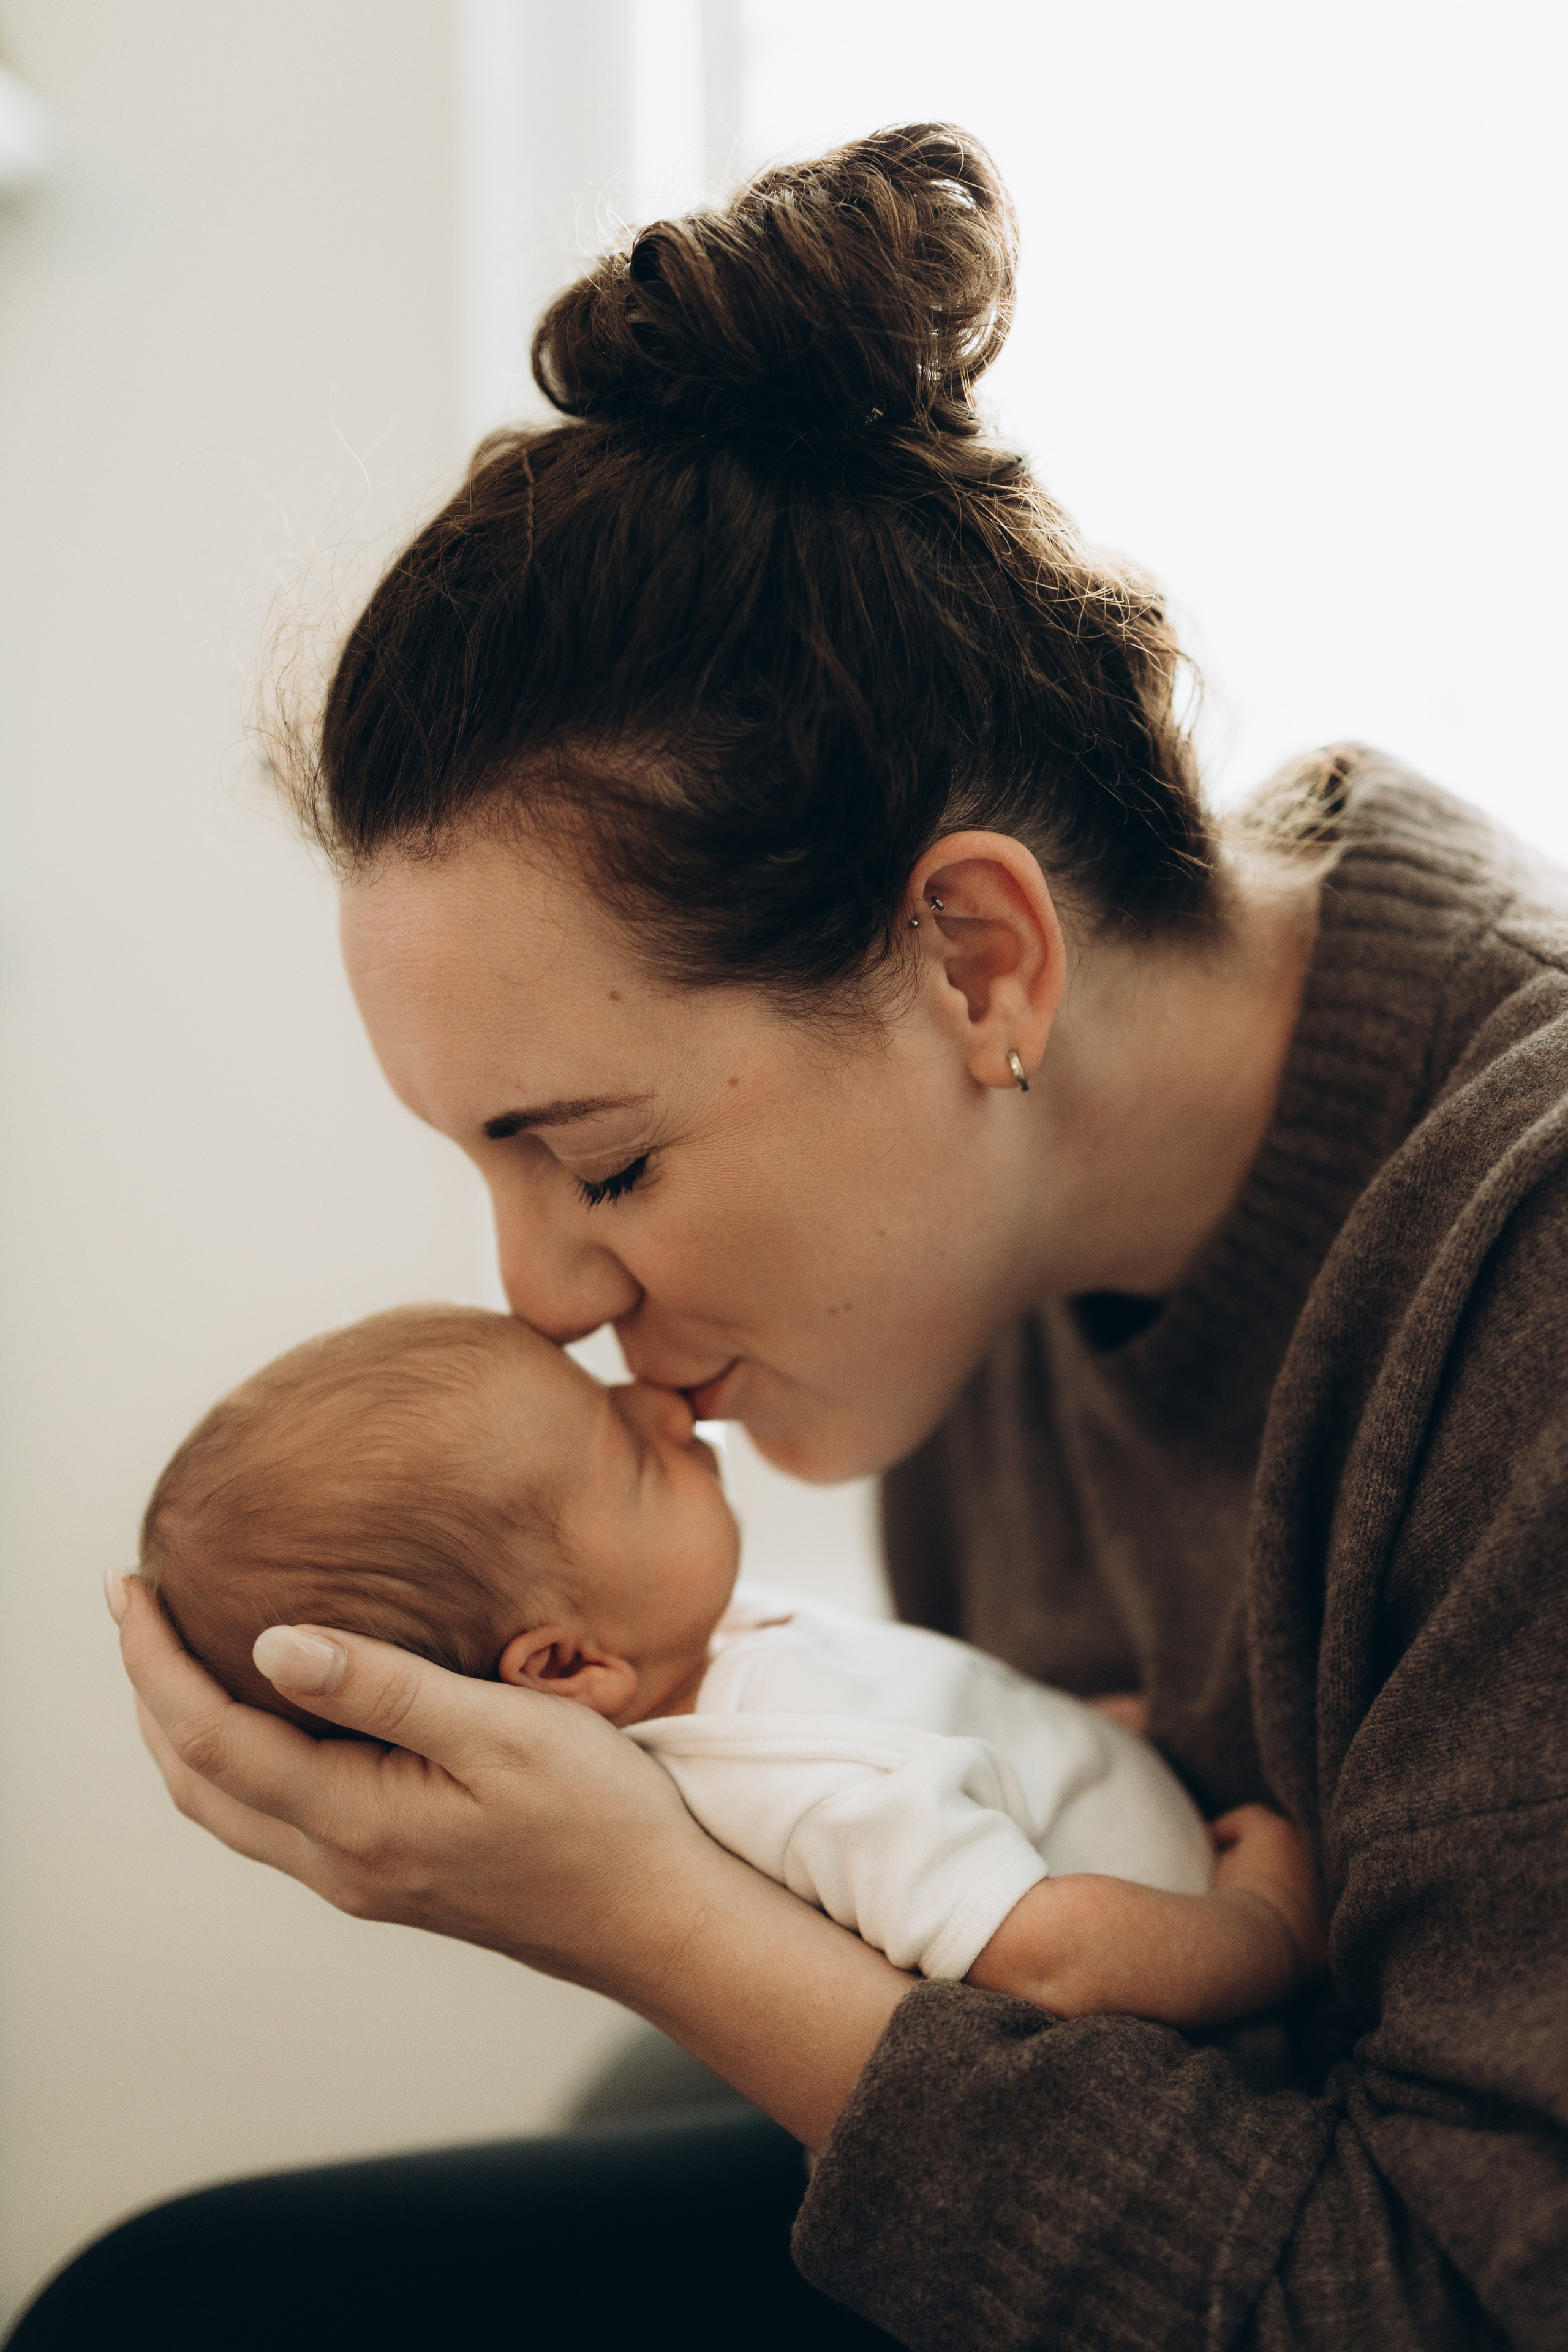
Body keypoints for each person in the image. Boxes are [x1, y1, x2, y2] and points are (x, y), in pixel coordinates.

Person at [16, 119, 1566, 2349]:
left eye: (607, 1163)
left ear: (974, 964)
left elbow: (1460, 2301)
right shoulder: (961, 1251)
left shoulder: (1525, 1272)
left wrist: (663, 1918)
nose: (541, 1295)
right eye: (491, 1170)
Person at [137, 1300, 1319, 2019]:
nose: (660, 1407)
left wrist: (1091, 1738)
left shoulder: (708, 1651)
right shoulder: (787, 1775)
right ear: (563, 1667)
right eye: (628, 1455)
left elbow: (946, 1727)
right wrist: (1262, 1930)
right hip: (1208, 2022)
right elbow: (1051, 1959)